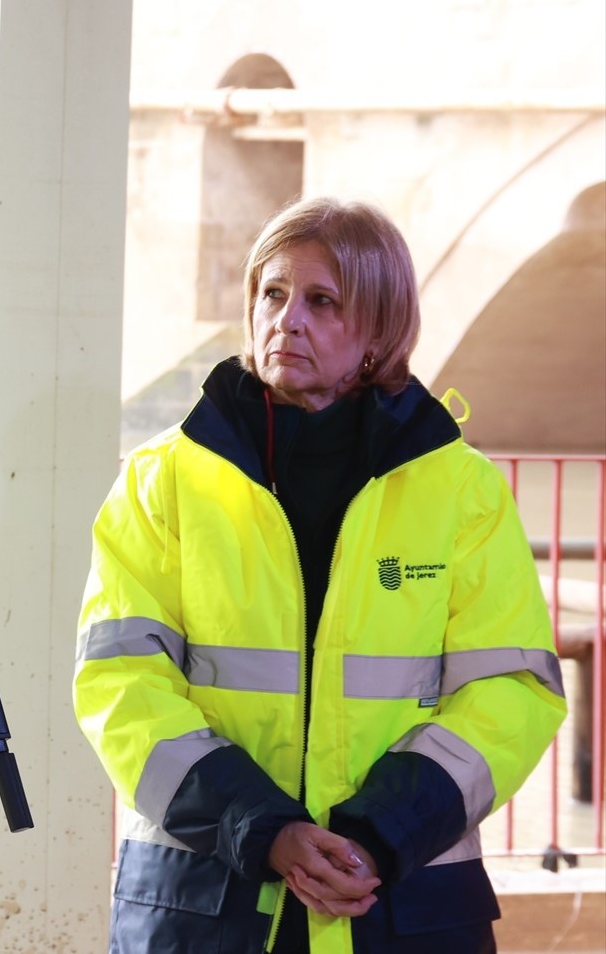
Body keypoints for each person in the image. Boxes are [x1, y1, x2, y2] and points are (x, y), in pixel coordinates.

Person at [74, 198, 567, 953]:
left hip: (399, 901)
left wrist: (381, 834)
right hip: (208, 907)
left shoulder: (462, 492)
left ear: (379, 329)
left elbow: (511, 692)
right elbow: (121, 682)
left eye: (322, 301)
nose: (287, 318)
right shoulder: (161, 480)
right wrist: (262, 829)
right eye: (272, 293)